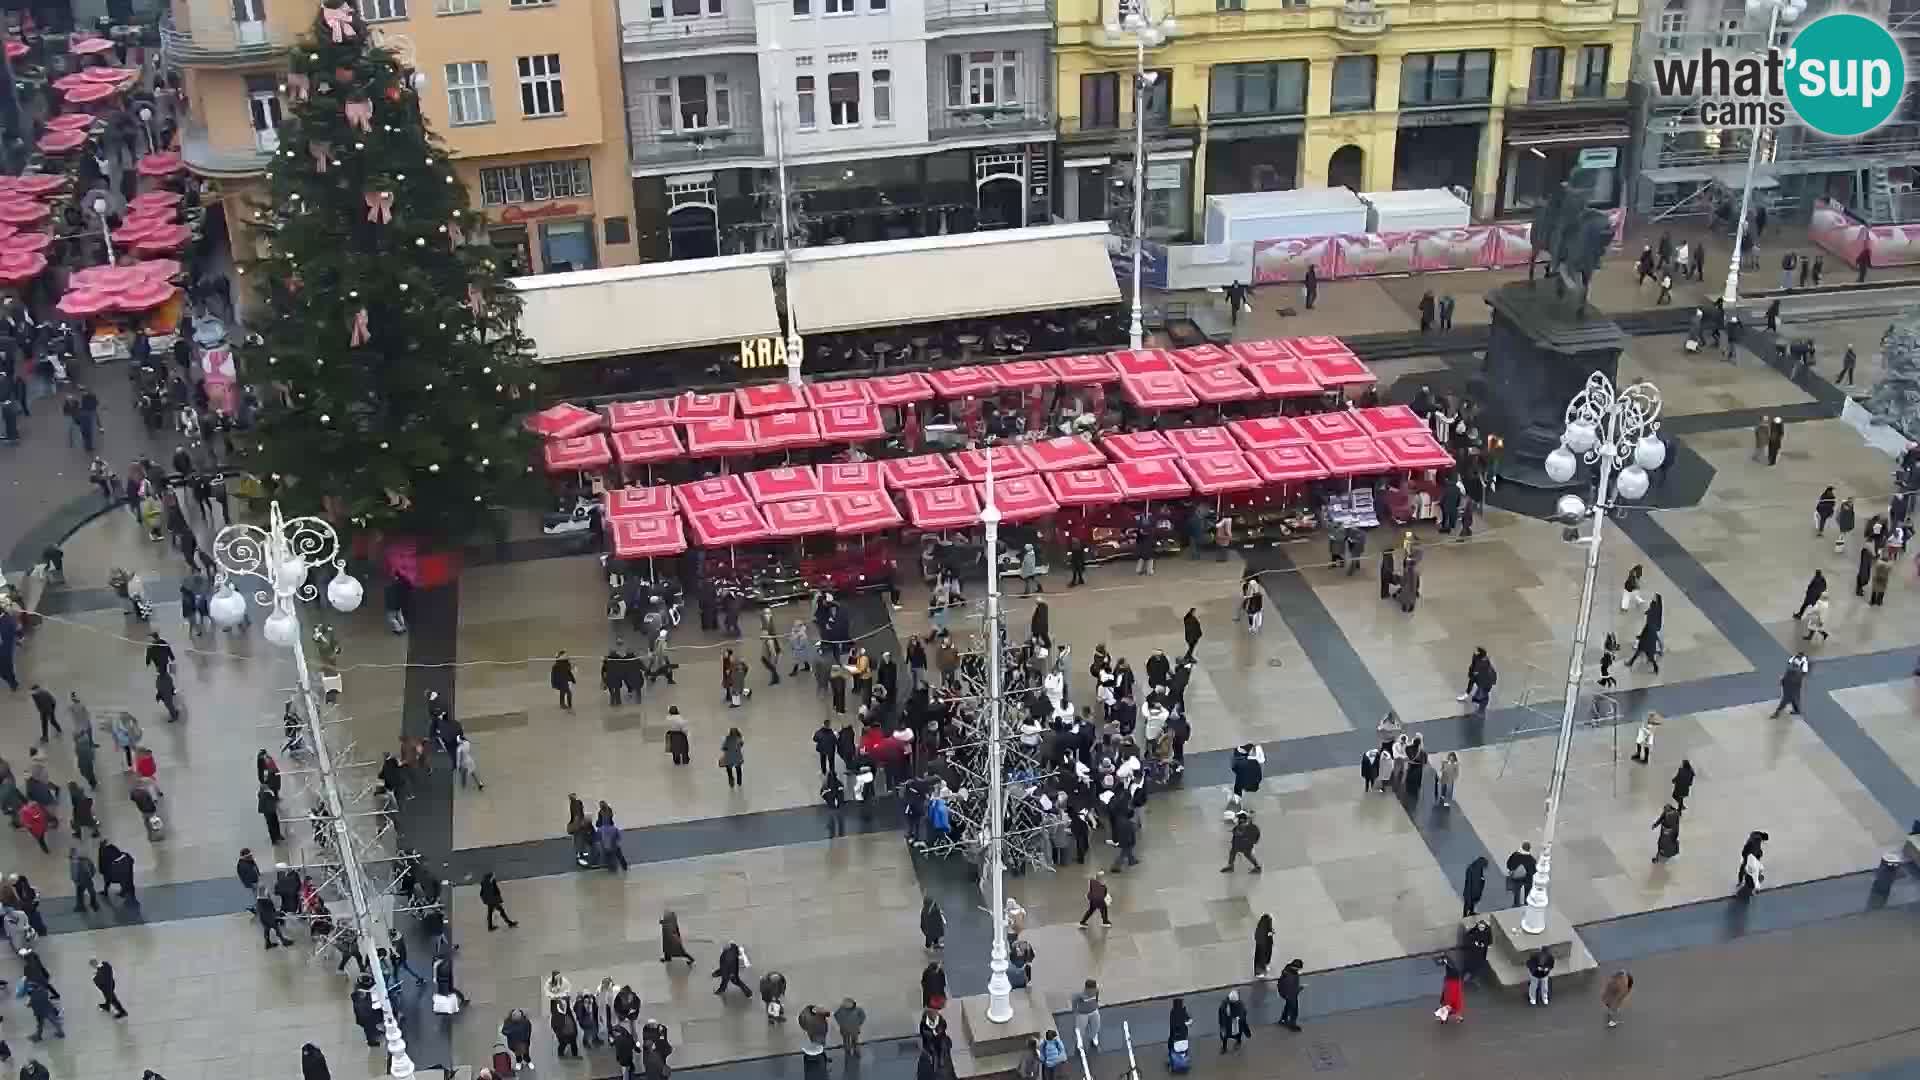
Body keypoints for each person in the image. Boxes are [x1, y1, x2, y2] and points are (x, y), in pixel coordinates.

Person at [1771, 651, 1810, 717]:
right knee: (1794, 698)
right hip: (1794, 685)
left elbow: (1787, 677)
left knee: (1786, 699)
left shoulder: (1793, 669)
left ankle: (1777, 712)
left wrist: (1782, 681)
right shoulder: (1798, 669)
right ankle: (1797, 710)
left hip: (1791, 686)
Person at [1071, 979, 1101, 1051]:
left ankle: (1094, 1037)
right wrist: (1075, 1011)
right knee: (1080, 1029)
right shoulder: (1080, 994)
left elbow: (1097, 996)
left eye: (1094, 988)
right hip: (1083, 1014)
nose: (1093, 990)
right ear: (1087, 988)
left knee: (1096, 1026)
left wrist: (1096, 1003)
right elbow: (1074, 1001)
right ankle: (1079, 1041)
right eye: (1092, 989)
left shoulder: (1096, 990)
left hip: (1094, 1011)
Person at [1435, 954, 1466, 1023]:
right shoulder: (1456, 1007)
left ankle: (1445, 958)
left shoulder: (1446, 1004)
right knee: (1452, 970)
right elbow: (1457, 997)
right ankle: (1445, 958)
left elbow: (1443, 995)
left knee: (1451, 970)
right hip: (1454, 982)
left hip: (1451, 983)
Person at [1276, 957, 1305, 1031]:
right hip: (1290, 994)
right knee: (1294, 1009)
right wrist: (1300, 988)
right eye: (1298, 968)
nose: (1299, 970)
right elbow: (1291, 989)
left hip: (1286, 993)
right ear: (1296, 967)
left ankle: (1283, 1019)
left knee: (1288, 1006)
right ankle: (1292, 1025)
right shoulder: (1290, 976)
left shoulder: (1288, 971)